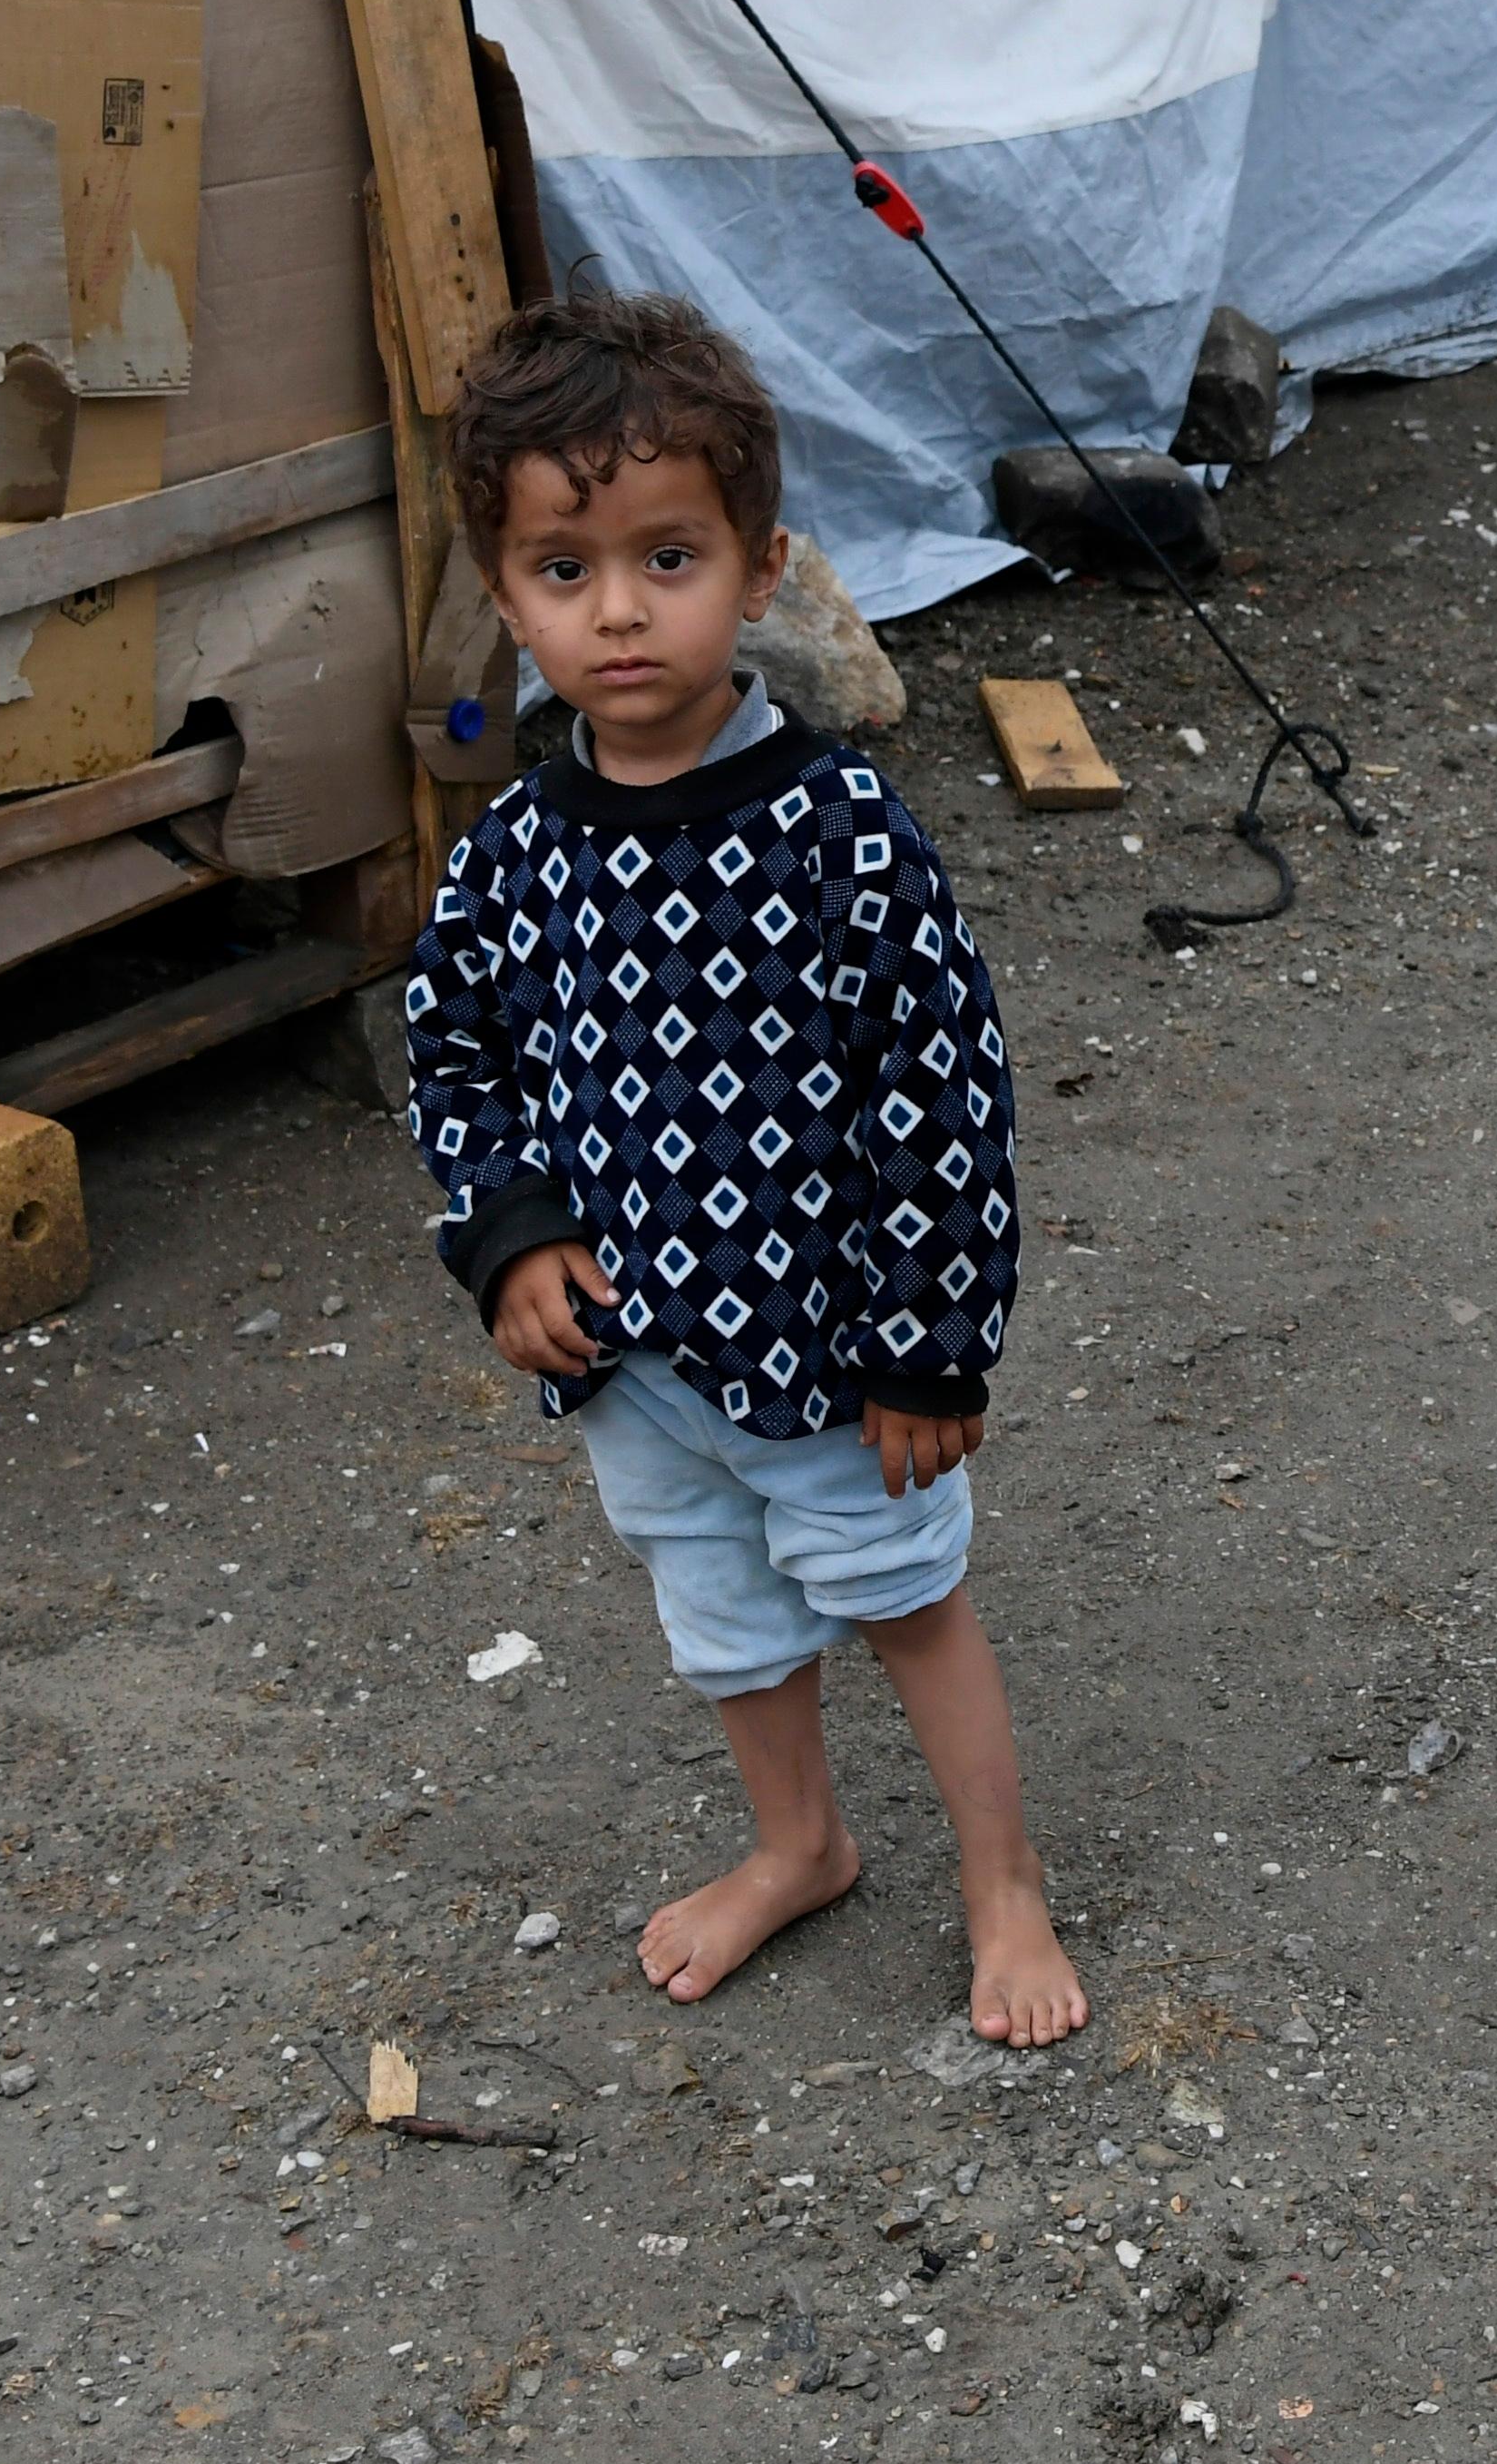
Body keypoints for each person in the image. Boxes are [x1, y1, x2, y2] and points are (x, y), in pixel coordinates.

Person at [400, 289, 1082, 2041]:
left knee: (908, 1606)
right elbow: (455, 1052)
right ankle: (801, 1842)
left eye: (668, 555)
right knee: (725, 1623)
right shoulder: (511, 858)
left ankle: (1002, 1885)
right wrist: (511, 1238)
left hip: (842, 1369)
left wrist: (932, 1342)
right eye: (565, 570)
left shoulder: (846, 836)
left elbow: (942, 1096)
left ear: (761, 566)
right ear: (505, 595)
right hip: (637, 1362)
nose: (619, 610)